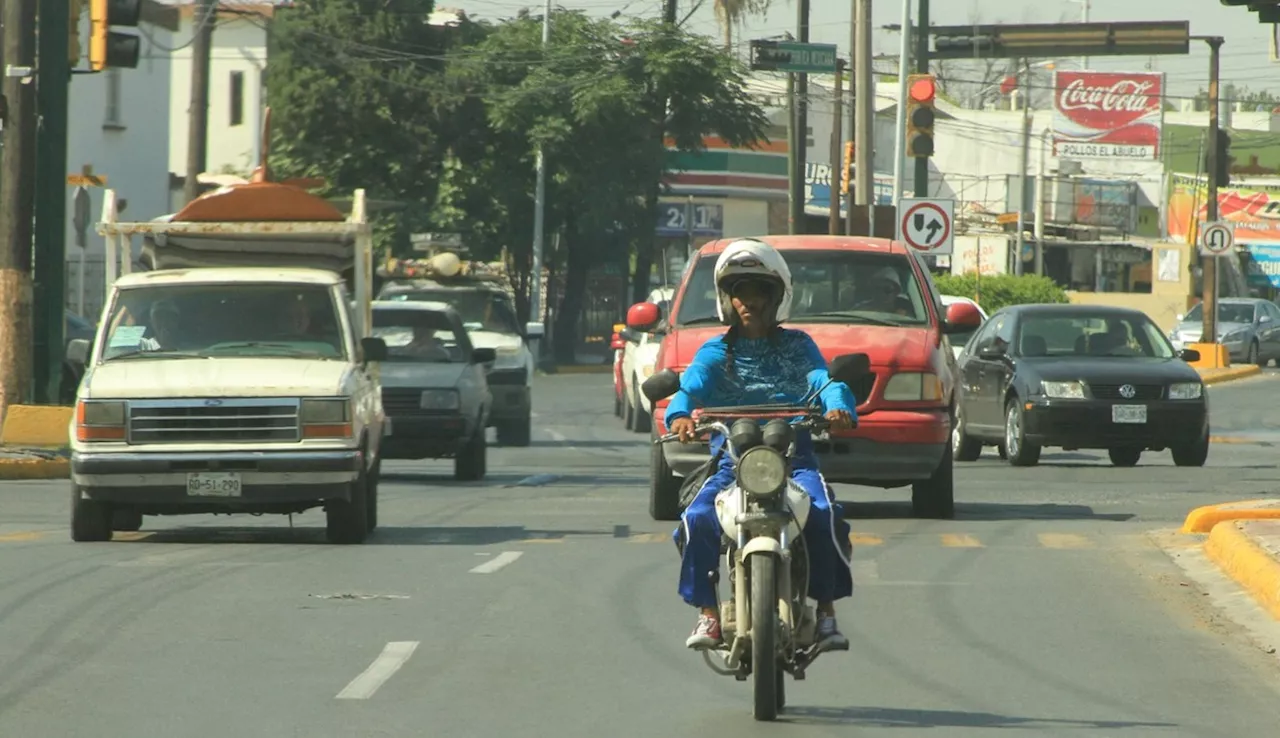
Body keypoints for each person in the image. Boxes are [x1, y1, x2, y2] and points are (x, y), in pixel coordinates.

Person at [666, 238, 858, 653]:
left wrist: (837, 406)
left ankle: (826, 614)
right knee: (697, 517)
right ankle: (709, 614)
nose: (749, 301)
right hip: (730, 460)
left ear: (778, 297)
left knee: (824, 514)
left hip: (794, 457)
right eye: (740, 293)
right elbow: (691, 385)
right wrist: (679, 413)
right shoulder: (715, 350)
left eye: (759, 292)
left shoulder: (798, 346)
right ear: (728, 300)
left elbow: (823, 382)